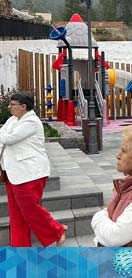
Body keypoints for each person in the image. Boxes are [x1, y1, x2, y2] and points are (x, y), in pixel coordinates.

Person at [0, 92, 66, 247]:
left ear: (24, 106)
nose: (9, 107)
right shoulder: (13, 120)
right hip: (13, 172)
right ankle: (20, 248)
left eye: (12, 104)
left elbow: (9, 139)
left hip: (30, 173)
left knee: (30, 209)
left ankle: (56, 230)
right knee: (17, 216)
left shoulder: (31, 121)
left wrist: (2, 132)